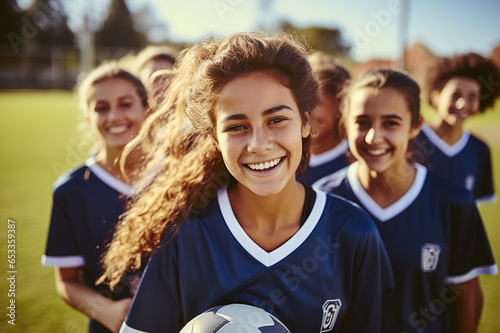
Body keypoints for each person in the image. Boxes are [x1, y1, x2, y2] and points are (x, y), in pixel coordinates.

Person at [100, 32, 393, 333]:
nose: (259, 144)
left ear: (306, 121)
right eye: (237, 126)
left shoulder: (352, 232)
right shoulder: (185, 235)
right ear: (215, 137)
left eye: (276, 120)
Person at [314, 69, 498, 333]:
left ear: (415, 126)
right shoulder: (322, 198)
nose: (373, 137)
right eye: (362, 122)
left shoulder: (453, 201)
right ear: (345, 124)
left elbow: (466, 292)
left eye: (391, 123)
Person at [41, 61, 149, 333]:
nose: (114, 116)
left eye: (125, 104)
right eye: (101, 108)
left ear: (146, 109)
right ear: (89, 117)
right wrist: (106, 311)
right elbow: (66, 281)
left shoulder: (179, 176)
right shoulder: (71, 190)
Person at [410, 53, 500, 204]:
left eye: (472, 97)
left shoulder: (480, 150)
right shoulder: (410, 141)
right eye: (455, 95)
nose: (462, 104)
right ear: (435, 96)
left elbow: (472, 211)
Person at [299, 51, 352, 185]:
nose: (304, 112)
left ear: (341, 105)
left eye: (315, 102)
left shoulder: (357, 161)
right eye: (300, 101)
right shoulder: (283, 158)